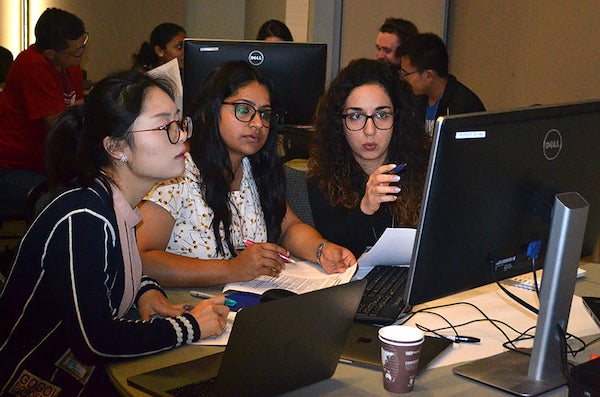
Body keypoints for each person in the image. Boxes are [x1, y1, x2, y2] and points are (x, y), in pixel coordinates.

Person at [0, 70, 229, 395]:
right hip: (37, 378)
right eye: (165, 127)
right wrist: (191, 326)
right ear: (117, 146)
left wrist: (144, 290)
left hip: (79, 370)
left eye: (178, 123)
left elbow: (107, 270)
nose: (181, 136)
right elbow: (96, 341)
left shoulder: (112, 202)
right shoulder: (84, 216)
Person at [137, 61, 355, 287]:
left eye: (265, 114)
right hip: (188, 306)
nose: (258, 123)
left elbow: (289, 227)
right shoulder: (177, 172)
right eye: (244, 110)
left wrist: (321, 249)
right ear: (212, 110)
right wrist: (233, 269)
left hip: (241, 302)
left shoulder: (254, 168)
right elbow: (142, 259)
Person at [307, 59, 430, 258]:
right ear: (339, 123)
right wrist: (365, 208)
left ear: (397, 119)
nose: (370, 130)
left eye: (382, 115)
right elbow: (338, 254)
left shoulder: (423, 167)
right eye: (356, 116)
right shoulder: (323, 176)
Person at [0, 8, 86, 214]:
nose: (82, 53)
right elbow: (60, 125)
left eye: (83, 45)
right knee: (63, 203)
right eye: (76, 50)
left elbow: (79, 109)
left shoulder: (69, 62)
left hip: (44, 161)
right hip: (12, 166)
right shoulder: (32, 66)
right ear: (50, 53)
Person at [398, 33, 486, 138]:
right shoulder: (413, 98)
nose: (403, 78)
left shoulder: (465, 107)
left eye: (406, 74)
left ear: (429, 75)